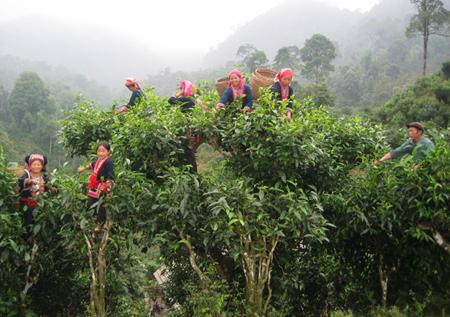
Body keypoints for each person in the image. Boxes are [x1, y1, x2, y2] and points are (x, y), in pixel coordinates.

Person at [18, 154, 57, 236]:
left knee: (39, 222)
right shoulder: (27, 175)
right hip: (27, 205)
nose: (36, 166)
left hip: (40, 205)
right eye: (34, 164)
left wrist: (53, 189)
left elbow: (51, 185)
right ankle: (27, 238)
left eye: (38, 164)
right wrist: (29, 181)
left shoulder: (44, 177)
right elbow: (21, 181)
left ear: (42, 166)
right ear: (30, 166)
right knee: (27, 223)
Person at [78, 141, 114, 223]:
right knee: (90, 205)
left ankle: (99, 224)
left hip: (102, 188)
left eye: (103, 151)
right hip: (94, 187)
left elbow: (110, 176)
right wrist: (83, 168)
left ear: (108, 152)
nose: (101, 153)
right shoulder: (98, 161)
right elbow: (91, 165)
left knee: (101, 207)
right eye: (99, 151)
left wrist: (108, 188)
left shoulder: (108, 162)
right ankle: (91, 222)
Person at [168, 80, 198, 172]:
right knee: (189, 150)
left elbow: (170, 100)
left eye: (181, 88)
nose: (180, 90)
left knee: (187, 150)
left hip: (186, 127)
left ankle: (191, 171)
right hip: (191, 127)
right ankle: (193, 171)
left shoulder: (185, 99)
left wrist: (176, 94)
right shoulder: (191, 99)